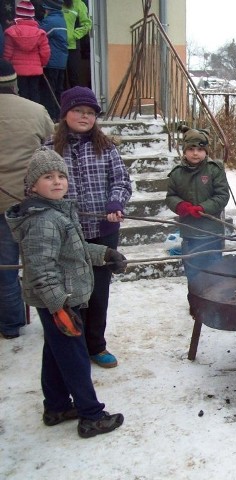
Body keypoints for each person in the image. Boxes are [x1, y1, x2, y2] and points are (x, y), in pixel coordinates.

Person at [5, 147, 125, 438]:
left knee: (55, 352)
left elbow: (76, 251)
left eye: (61, 175)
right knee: (75, 357)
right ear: (33, 185)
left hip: (64, 299)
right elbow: (41, 270)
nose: (57, 181)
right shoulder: (43, 220)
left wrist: (106, 254)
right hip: (60, 302)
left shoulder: (57, 212)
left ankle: (56, 406)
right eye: (48, 177)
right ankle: (91, 416)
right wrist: (59, 307)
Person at [44, 86, 132, 368]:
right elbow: (34, 186)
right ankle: (74, 347)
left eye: (90, 112)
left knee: (98, 291)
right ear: (65, 113)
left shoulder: (106, 147)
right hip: (65, 234)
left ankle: (96, 345)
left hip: (102, 232)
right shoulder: (48, 149)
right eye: (78, 111)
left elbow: (121, 181)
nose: (84, 116)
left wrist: (115, 203)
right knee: (71, 291)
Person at [0, 59, 53, 339]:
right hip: (34, 200)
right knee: (42, 263)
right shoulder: (36, 110)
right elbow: (51, 145)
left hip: (1, 205)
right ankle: (54, 317)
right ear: (14, 83)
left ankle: (10, 325)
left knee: (6, 265)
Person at [166, 127, 230, 282]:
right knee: (193, 272)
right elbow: (171, 196)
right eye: (191, 149)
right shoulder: (177, 173)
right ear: (184, 151)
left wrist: (203, 207)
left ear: (206, 151)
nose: (195, 153)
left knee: (215, 272)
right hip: (189, 233)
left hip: (212, 232)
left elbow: (222, 196)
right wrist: (180, 205)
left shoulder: (214, 170)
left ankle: (215, 301)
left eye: (200, 149)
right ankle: (195, 301)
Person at [3, 0, 50, 103]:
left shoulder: (11, 32)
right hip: (35, 70)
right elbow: (45, 53)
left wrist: (8, 67)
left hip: (18, 70)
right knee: (35, 93)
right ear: (32, 16)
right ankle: (35, 116)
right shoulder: (40, 33)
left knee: (21, 94)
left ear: (18, 15)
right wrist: (42, 64)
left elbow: (7, 54)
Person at [39, 0, 67, 120]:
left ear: (49, 9)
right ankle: (59, 115)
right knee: (57, 90)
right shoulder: (61, 19)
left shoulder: (51, 21)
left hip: (51, 62)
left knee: (49, 92)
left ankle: (51, 117)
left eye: (45, 8)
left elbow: (39, 35)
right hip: (61, 61)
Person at [62, 0, 91, 87]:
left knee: (74, 77)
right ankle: (60, 100)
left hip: (73, 47)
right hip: (58, 46)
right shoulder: (57, 2)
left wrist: (73, 36)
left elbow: (87, 24)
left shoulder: (79, 4)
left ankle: (75, 99)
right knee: (60, 79)